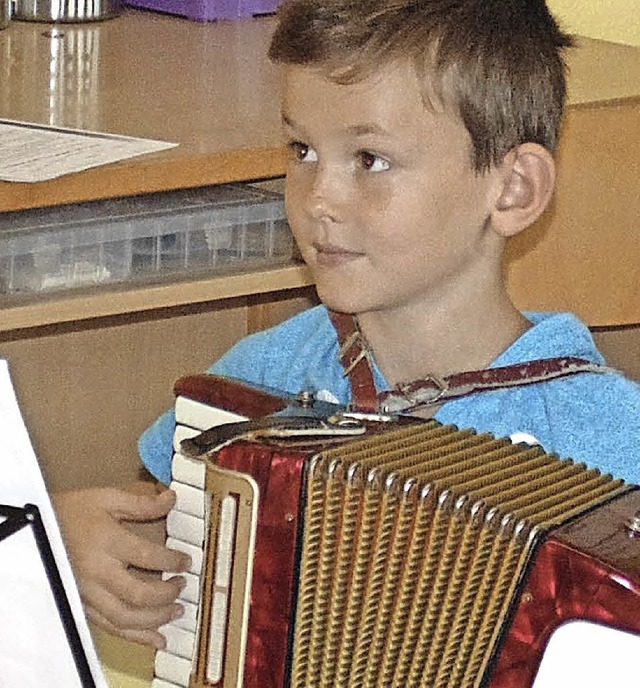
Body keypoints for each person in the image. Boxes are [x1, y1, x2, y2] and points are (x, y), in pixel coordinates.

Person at [55, 0, 640, 650]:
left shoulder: (614, 441)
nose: (318, 198)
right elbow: (160, 535)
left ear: (513, 190)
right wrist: (74, 542)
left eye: (369, 159)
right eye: (302, 150)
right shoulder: (264, 376)